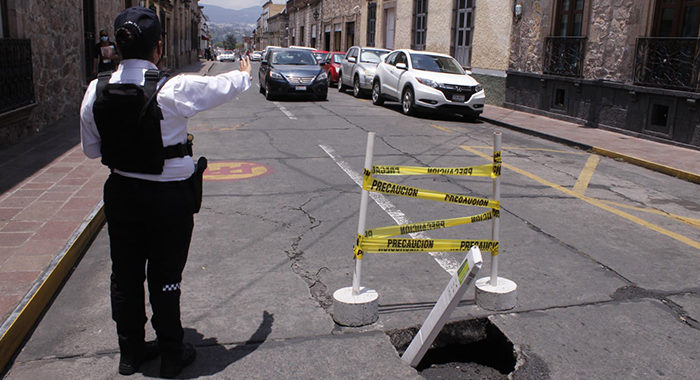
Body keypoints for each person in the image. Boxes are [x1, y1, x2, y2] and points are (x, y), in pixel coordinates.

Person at [79, 7, 252, 378]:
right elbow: (220, 88)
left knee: (124, 275)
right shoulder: (172, 87)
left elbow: (92, 150)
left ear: (119, 46)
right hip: (169, 197)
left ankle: (130, 353)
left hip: (122, 193)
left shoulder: (96, 89)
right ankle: (172, 351)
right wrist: (244, 74)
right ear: (158, 46)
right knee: (165, 274)